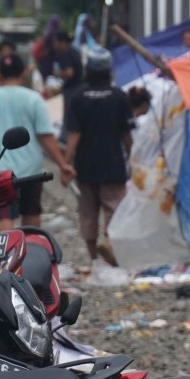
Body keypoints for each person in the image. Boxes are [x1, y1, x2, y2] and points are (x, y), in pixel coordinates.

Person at [0, 53, 73, 230]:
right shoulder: (34, 99)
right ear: (23, 73)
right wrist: (62, 164)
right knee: (31, 214)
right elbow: (46, 136)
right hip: (30, 171)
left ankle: (6, 257)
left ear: (0, 74)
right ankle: (32, 253)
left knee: (3, 216)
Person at [63, 49, 133, 267]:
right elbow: (126, 135)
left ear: (88, 71)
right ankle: (110, 243)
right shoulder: (119, 96)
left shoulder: (78, 97)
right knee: (114, 209)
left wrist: (66, 163)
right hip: (113, 164)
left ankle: (94, 260)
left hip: (86, 166)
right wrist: (134, 158)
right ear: (108, 71)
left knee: (88, 213)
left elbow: (74, 135)